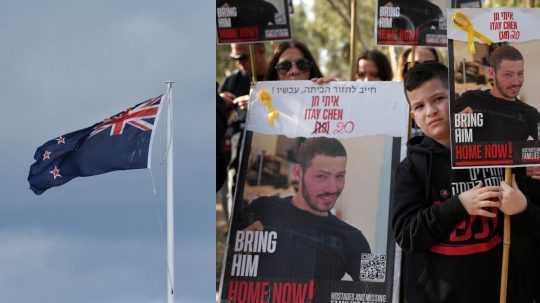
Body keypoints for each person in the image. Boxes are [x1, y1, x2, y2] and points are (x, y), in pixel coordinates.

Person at [392, 62, 540, 302]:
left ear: (457, 97)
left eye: (439, 98)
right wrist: (459, 205)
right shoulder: (411, 168)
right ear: (413, 116)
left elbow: (534, 223)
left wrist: (522, 208)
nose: (430, 111)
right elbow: (407, 234)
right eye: (419, 106)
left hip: (500, 292)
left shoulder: (501, 153)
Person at [238, 137, 370, 280]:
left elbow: (379, 286)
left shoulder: (355, 238)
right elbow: (223, 259)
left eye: (339, 176)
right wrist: (239, 244)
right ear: (298, 173)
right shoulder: (262, 209)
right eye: (321, 176)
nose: (333, 188)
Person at [455, 44, 540, 143]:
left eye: (520, 74)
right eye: (508, 75)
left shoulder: (531, 115)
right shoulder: (469, 100)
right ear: (492, 73)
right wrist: (456, 123)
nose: (516, 82)